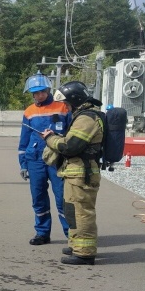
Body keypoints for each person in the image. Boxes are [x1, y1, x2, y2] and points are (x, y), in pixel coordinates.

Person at [42, 81, 104, 266]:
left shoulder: (87, 119)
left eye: (68, 104)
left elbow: (70, 146)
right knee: (71, 211)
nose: (66, 107)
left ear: (75, 100)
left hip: (82, 175)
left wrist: (50, 138)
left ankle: (84, 253)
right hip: (75, 173)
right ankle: (76, 245)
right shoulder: (83, 116)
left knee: (82, 212)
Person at [18, 72, 71, 245]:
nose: (39, 95)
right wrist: (23, 164)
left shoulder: (63, 107)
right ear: (32, 94)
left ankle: (71, 234)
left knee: (62, 197)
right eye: (36, 93)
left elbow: (72, 133)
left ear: (48, 90)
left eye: (42, 91)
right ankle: (42, 233)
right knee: (38, 197)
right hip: (35, 160)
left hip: (57, 159)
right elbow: (24, 140)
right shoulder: (29, 112)